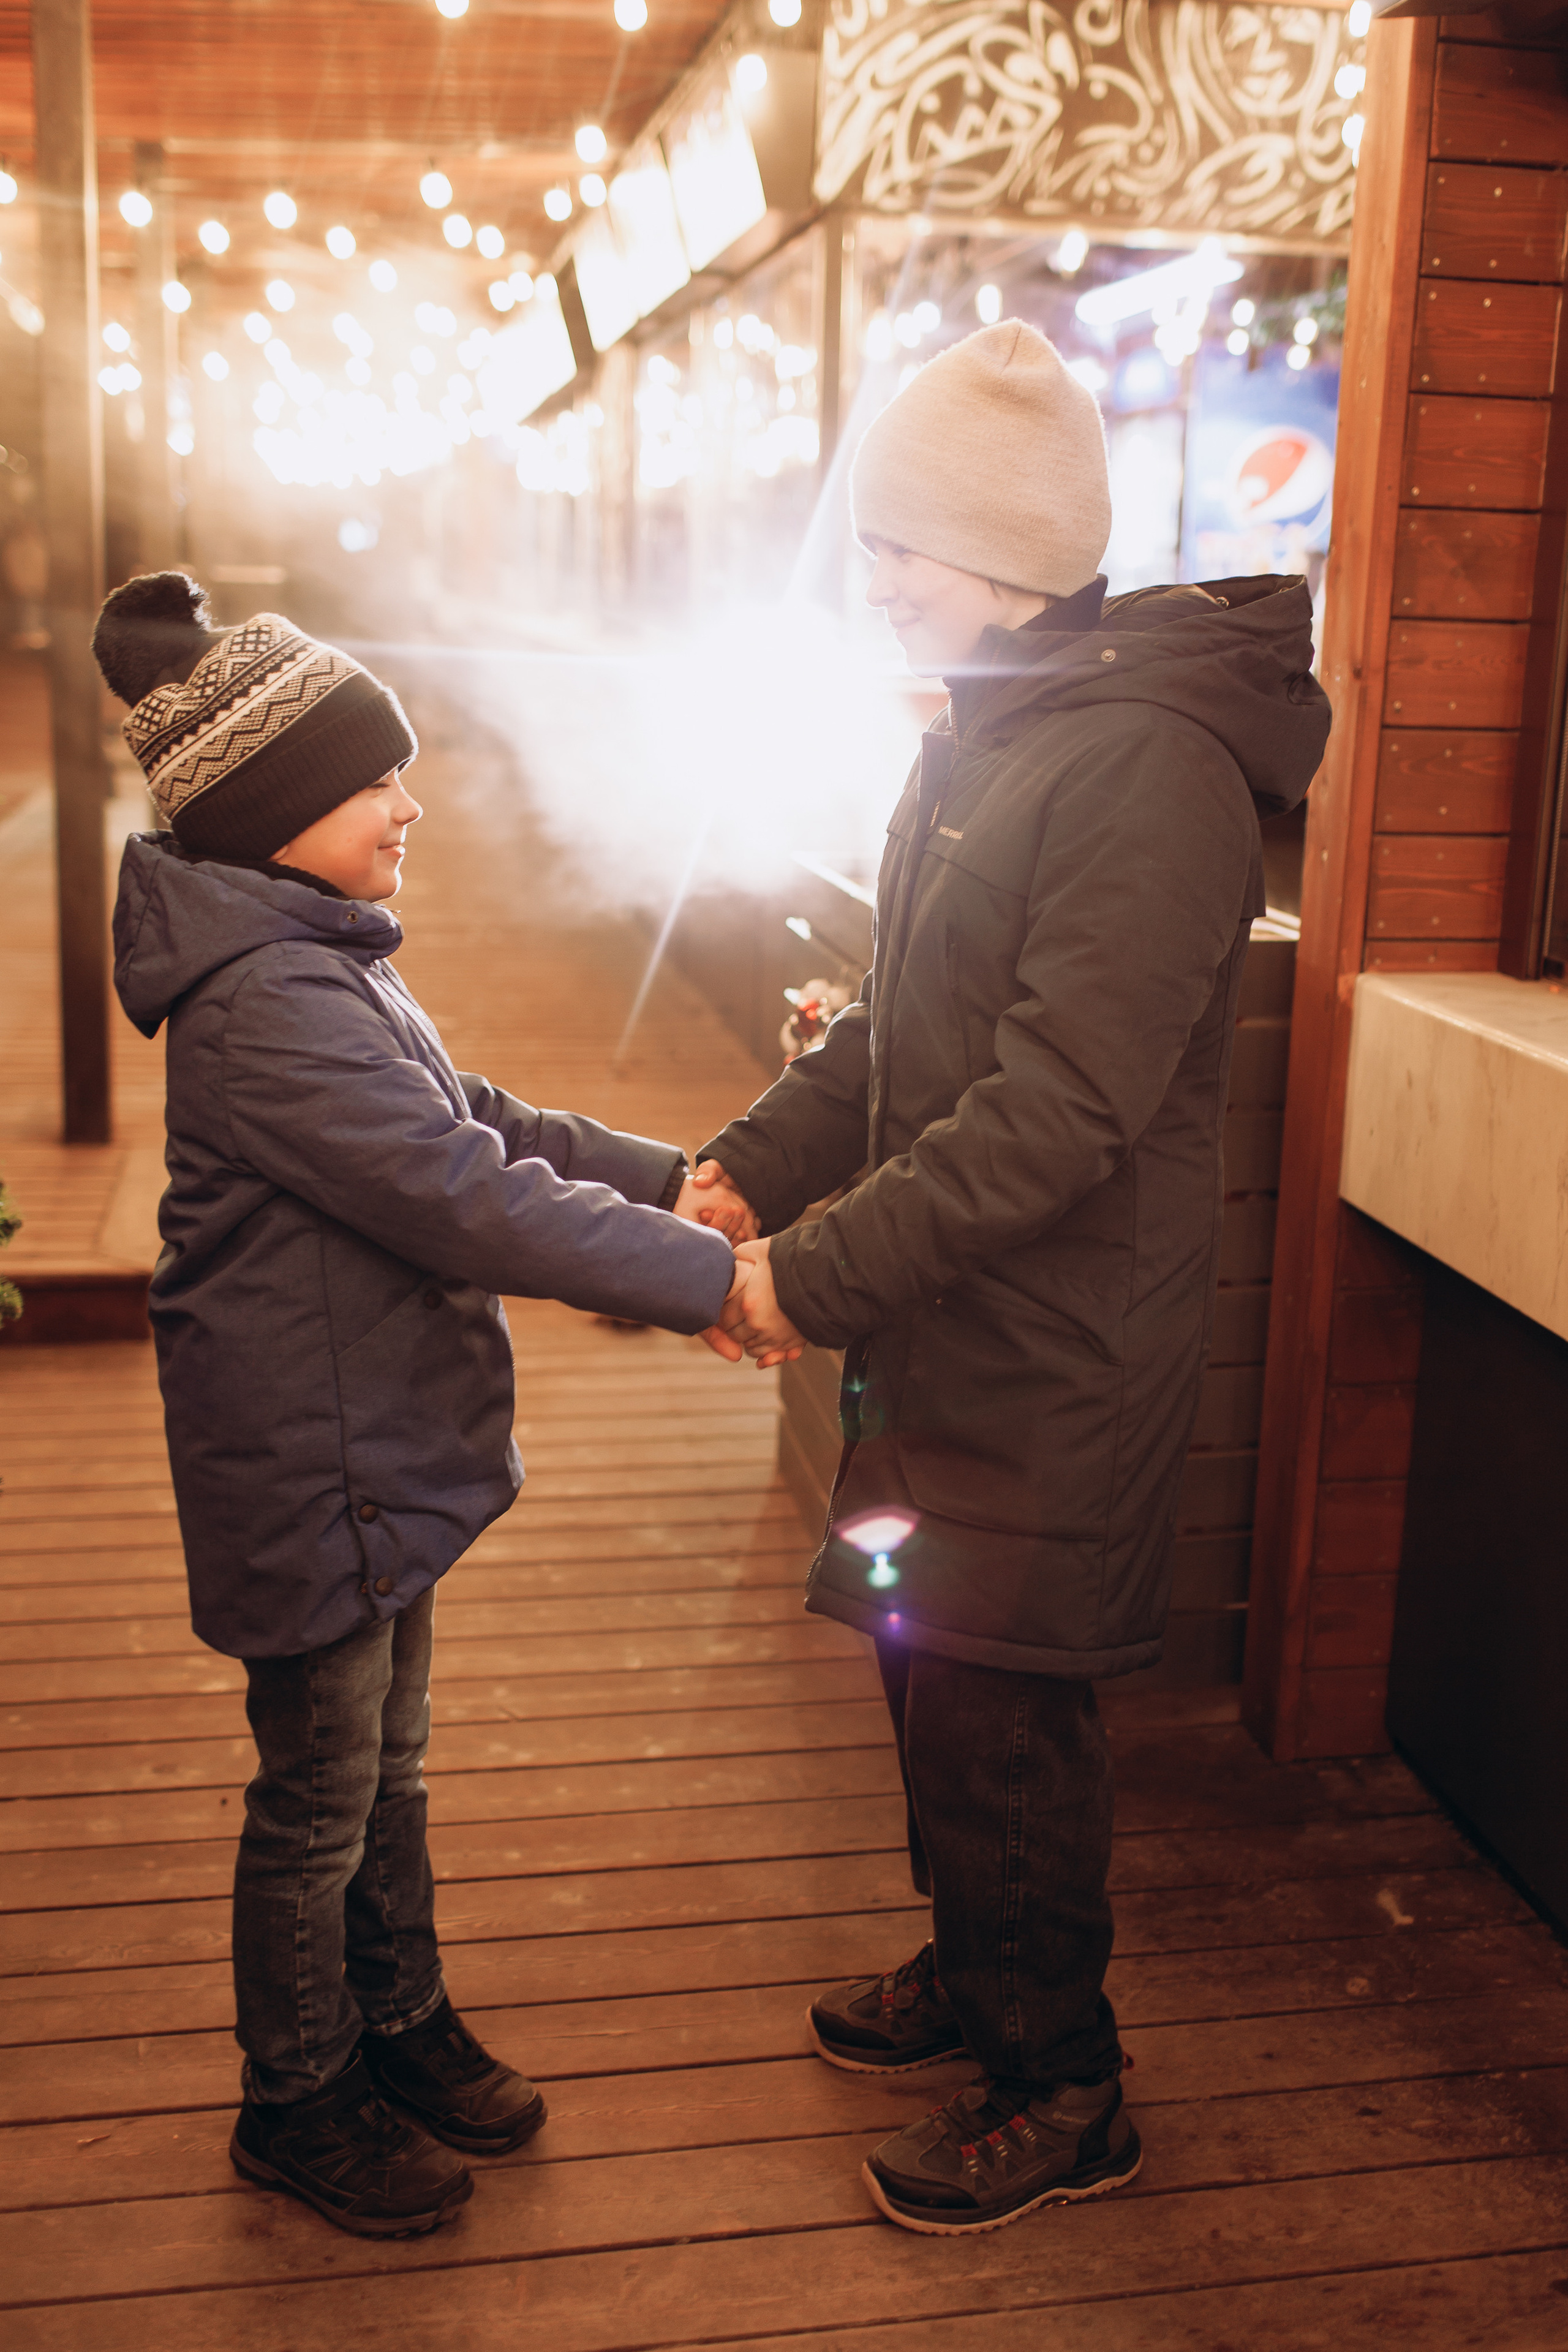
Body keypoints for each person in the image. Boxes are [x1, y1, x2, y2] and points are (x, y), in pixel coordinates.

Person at [695, 321, 1331, 2235]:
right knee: (930, 1670)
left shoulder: (1143, 766)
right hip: (949, 1321)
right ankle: (977, 1971)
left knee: (1008, 1707)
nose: (873, 581)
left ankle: (1065, 2082)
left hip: (1061, 1348)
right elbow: (899, 1032)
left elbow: (1058, 1113)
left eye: (903, 547)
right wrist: (751, 1168)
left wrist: (805, 1278)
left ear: (1013, 552)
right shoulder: (983, 734)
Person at [94, 573, 748, 2240]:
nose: (411, 804)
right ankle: (296, 2094)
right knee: (318, 1794)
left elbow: (481, 1116)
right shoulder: (267, 1008)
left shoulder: (315, 955)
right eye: (374, 779)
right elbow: (462, 1195)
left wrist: (678, 1183)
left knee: (386, 1772)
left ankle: (397, 2022)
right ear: (271, 811)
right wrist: (707, 1284)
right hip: (314, 1464)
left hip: (366, 1446)